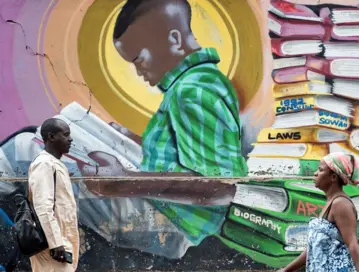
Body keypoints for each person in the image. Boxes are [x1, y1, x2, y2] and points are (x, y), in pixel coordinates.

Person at [77, 0, 247, 253]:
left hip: (178, 225)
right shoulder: (198, 82)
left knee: (28, 152)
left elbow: (222, 187)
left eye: (139, 59)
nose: (138, 72)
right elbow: (186, 156)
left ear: (175, 40)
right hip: (171, 210)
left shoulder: (193, 90)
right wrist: (132, 139)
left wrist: (123, 183)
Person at [278, 152, 359, 272]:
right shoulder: (330, 203)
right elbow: (313, 249)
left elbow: (352, 244)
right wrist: (286, 270)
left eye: (320, 170)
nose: (315, 173)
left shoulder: (341, 204)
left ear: (333, 177)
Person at [29, 118, 79, 272]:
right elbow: (43, 207)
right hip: (53, 246)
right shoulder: (44, 164)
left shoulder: (54, 163)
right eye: (66, 135)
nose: (70, 139)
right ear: (51, 137)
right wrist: (56, 243)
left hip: (60, 243)